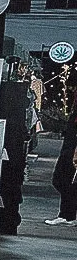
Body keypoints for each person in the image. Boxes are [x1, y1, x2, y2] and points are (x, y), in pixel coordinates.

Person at [45, 86, 77, 226]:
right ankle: (68, 214)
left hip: (72, 149)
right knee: (66, 181)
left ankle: (67, 214)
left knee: (61, 179)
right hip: (69, 147)